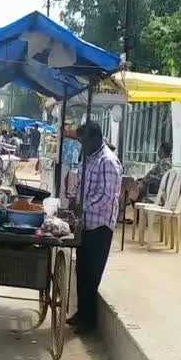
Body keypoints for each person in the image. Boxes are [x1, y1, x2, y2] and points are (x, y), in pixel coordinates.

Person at [68, 121, 123, 335]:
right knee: (81, 271)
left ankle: (89, 323)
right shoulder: (89, 158)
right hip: (86, 224)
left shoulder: (107, 162)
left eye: (84, 141)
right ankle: (81, 313)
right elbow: (82, 186)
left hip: (100, 226)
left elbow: (107, 197)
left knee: (92, 275)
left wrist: (84, 205)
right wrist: (74, 200)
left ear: (95, 139)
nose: (82, 145)